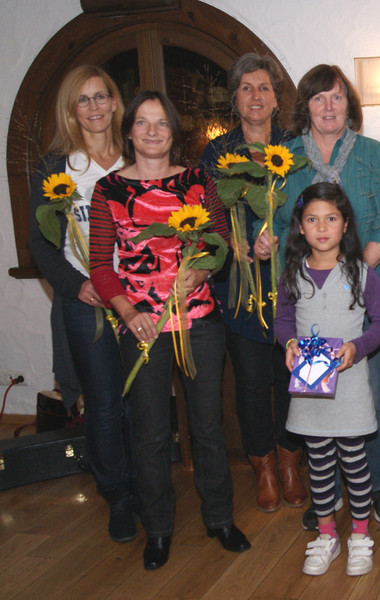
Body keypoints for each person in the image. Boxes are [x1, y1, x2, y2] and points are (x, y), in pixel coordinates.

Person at [90, 91, 250, 570]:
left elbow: (219, 243)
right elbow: (100, 266)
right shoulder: (108, 190)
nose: (152, 132)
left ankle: (219, 518)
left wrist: (200, 270)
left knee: (208, 427)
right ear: (129, 132)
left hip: (199, 323)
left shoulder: (198, 180)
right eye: (142, 123)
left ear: (173, 131)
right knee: (151, 432)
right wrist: (127, 313)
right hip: (142, 327)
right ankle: (158, 529)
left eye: (161, 123)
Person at [254, 64, 380, 528]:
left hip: (358, 293)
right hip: (307, 296)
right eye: (319, 98)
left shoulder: (372, 152)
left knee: (369, 398)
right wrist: (264, 241)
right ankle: (328, 496)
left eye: (337, 97)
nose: (329, 106)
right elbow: (275, 221)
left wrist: (354, 274)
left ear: (349, 104)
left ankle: (378, 486)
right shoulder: (285, 158)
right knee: (316, 401)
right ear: (306, 106)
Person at [27, 65, 136, 542]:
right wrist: (76, 285)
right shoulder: (57, 169)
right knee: (105, 404)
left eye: (101, 96)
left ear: (114, 102)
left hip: (138, 299)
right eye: (83, 99)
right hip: (86, 302)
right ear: (71, 110)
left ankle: (146, 485)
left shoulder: (135, 157)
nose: (94, 106)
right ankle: (118, 496)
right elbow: (39, 242)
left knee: (141, 402)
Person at [198, 53, 307, 513]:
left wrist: (287, 235)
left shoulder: (295, 147)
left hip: (292, 279)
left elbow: (311, 204)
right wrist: (233, 243)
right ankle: (262, 464)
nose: (256, 96)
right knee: (251, 381)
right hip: (241, 285)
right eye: (246, 88)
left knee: (292, 376)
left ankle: (290, 460)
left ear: (277, 99)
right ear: (234, 99)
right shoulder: (217, 153)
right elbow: (207, 211)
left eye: (264, 88)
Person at [274, 182, 380, 576]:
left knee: (355, 463)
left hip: (350, 388)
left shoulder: (362, 273)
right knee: (320, 464)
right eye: (312, 219)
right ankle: (327, 535)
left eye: (330, 219)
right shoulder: (292, 273)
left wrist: (357, 347)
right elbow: (283, 320)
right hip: (309, 391)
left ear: (345, 225)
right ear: (300, 227)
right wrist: (289, 343)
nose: (322, 227)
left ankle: (360, 533)